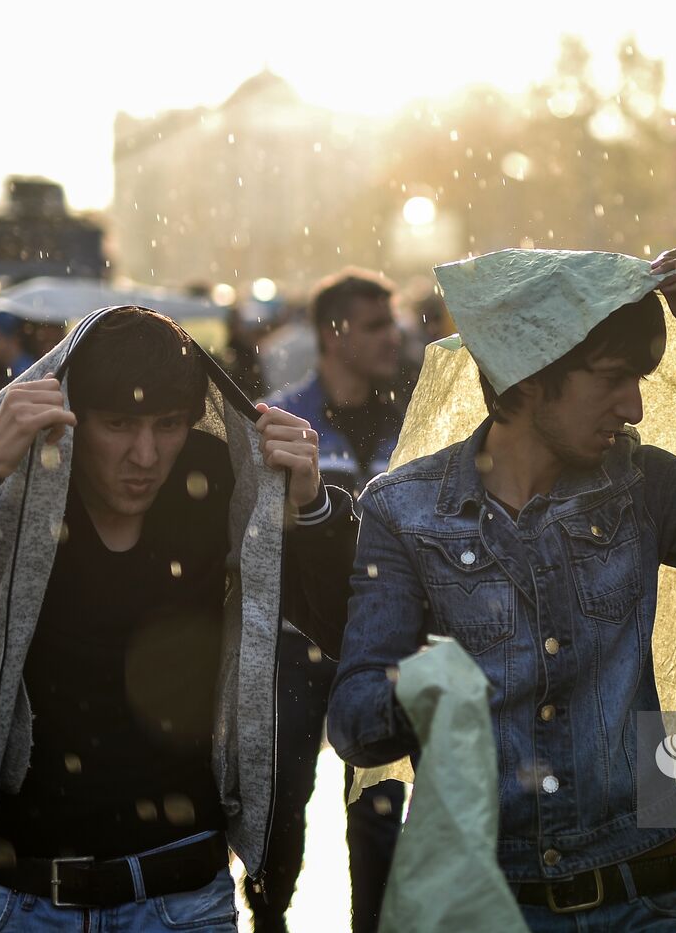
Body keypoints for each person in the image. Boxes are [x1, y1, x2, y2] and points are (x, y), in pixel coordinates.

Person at [327, 248, 676, 929]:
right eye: (611, 380)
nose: (632, 407)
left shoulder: (643, 489)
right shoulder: (404, 513)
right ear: (532, 377)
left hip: (638, 896)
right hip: (488, 904)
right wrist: (434, 686)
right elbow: (357, 725)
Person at [0, 306, 356, 932]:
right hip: (28, 894)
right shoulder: (25, 472)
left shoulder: (215, 481)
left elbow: (346, 624)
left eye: (168, 425)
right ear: (78, 418)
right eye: (119, 424)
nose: (145, 454)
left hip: (182, 892)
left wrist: (313, 507)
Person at [256, 270, 413, 933]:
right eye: (376, 325)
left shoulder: (414, 416)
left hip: (380, 651)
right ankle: (266, 919)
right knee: (282, 807)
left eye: (392, 322)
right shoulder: (280, 419)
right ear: (334, 333)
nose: (393, 337)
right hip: (295, 650)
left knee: (378, 814)